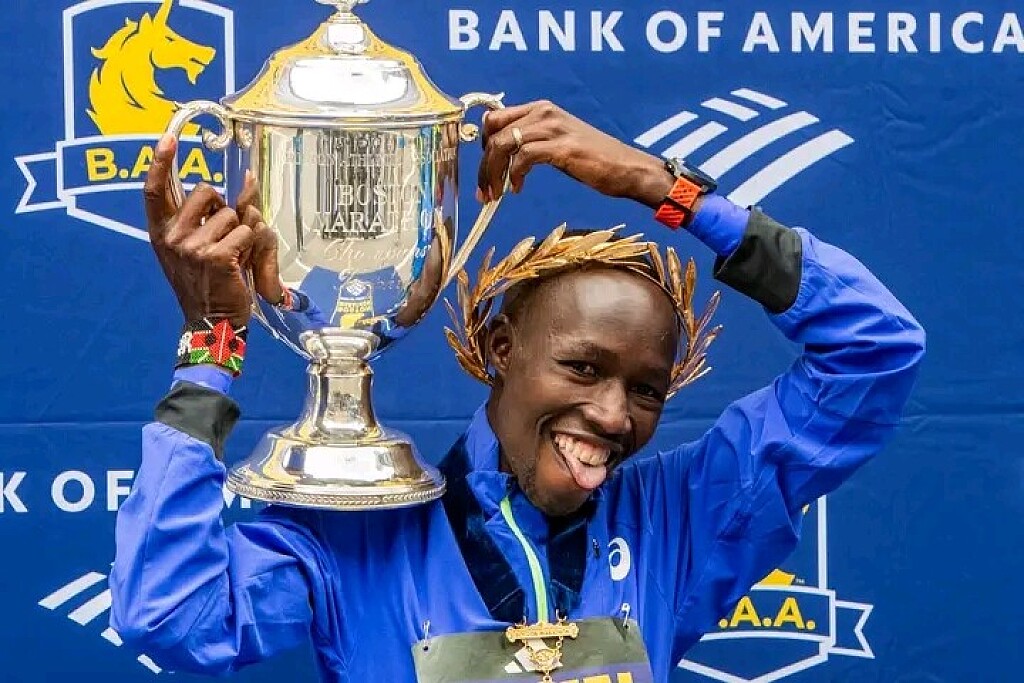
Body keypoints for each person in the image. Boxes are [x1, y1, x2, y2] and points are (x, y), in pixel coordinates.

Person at [110, 100, 925, 682]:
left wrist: (664, 188)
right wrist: (212, 343)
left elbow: (877, 352)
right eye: (583, 368)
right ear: (501, 348)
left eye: (648, 388)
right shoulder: (353, 540)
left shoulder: (685, 517)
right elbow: (173, 614)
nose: (612, 414)